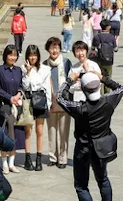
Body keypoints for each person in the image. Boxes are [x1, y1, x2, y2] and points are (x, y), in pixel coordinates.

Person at [57, 71, 123, 201]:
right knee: (103, 179)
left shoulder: (80, 108)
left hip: (83, 148)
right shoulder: (108, 102)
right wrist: (102, 78)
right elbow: (120, 88)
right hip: (101, 147)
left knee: (81, 186)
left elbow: (60, 98)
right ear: (99, 87)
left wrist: (69, 80)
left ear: (83, 89)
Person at [0, 45, 26, 173]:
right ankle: (4, 163)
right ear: (5, 56)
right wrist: (9, 97)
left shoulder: (18, 70)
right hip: (4, 106)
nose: (13, 57)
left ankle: (12, 163)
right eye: (10, 55)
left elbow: (21, 85)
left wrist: (18, 95)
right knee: (4, 134)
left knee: (15, 134)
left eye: (15, 55)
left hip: (16, 106)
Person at [21, 44, 53, 171]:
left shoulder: (45, 69)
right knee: (27, 131)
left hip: (40, 100)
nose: (33, 57)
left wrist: (49, 104)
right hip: (28, 100)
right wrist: (28, 72)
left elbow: (47, 87)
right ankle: (27, 158)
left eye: (35, 55)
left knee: (39, 131)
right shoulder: (23, 68)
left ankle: (38, 159)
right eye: (30, 55)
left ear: (38, 56)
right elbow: (25, 86)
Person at [44, 37, 72, 170]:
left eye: (56, 47)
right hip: (50, 101)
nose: (54, 50)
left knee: (63, 130)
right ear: (48, 49)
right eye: (51, 47)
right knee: (51, 129)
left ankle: (62, 157)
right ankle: (52, 156)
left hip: (64, 100)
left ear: (60, 49)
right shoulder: (44, 64)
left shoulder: (66, 62)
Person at [91, 19, 118, 85]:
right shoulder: (112, 37)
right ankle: (107, 93)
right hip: (109, 60)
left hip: (99, 60)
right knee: (108, 78)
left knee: (99, 76)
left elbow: (92, 48)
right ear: (108, 27)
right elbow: (115, 49)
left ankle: (101, 92)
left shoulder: (96, 37)